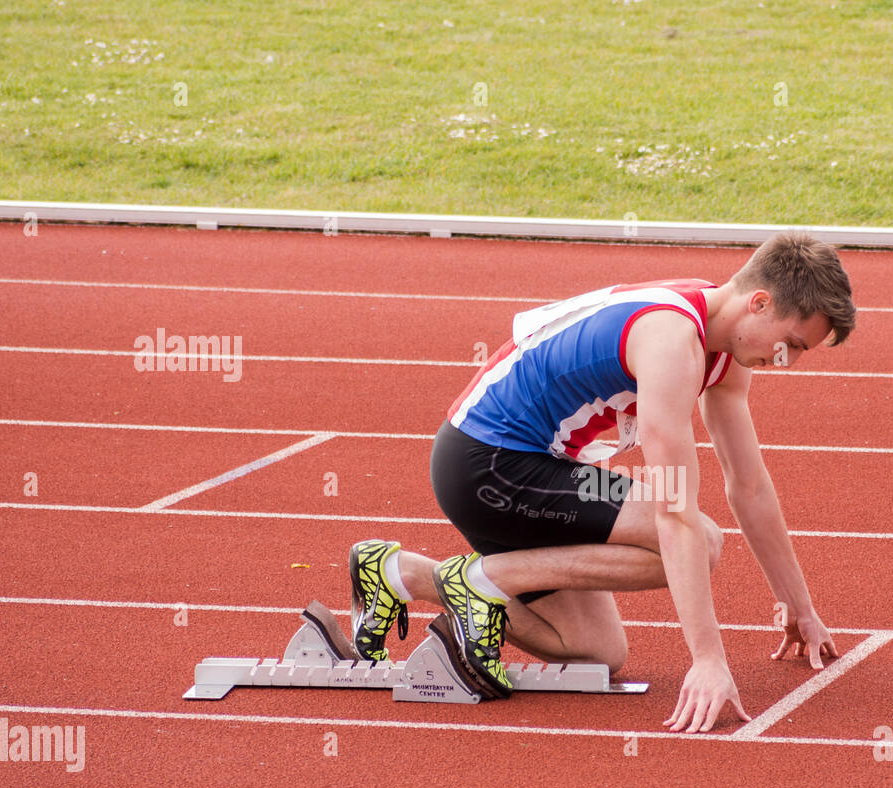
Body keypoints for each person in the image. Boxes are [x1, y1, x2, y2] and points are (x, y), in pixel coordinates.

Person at [348, 231, 856, 733]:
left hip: (533, 469)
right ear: (759, 302)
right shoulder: (671, 338)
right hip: (487, 465)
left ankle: (403, 574)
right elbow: (674, 513)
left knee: (595, 650)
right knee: (699, 539)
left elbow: (749, 485)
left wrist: (799, 605)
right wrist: (707, 660)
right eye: (789, 344)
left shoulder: (722, 345)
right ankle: (481, 581)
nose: (787, 361)